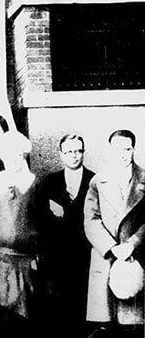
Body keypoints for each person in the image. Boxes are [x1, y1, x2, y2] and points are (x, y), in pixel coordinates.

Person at [84, 129, 145, 338]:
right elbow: (90, 219)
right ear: (110, 151)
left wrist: (133, 243)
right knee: (106, 326)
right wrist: (112, 247)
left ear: (133, 149)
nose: (123, 154)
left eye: (127, 149)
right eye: (117, 149)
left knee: (134, 325)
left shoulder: (144, 179)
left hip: (135, 257)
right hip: (107, 258)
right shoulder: (98, 181)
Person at [0, 131, 40, 337]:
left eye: (18, 155)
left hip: (24, 259)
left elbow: (39, 219)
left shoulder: (33, 182)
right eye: (9, 155)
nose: (13, 160)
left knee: (24, 311)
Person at [39, 134, 94, 338]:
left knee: (83, 308)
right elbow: (41, 220)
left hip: (85, 255)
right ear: (61, 155)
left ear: (83, 153)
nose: (74, 155)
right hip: (57, 257)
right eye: (69, 151)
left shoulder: (94, 181)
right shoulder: (49, 182)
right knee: (58, 310)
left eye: (78, 151)